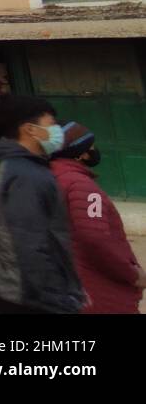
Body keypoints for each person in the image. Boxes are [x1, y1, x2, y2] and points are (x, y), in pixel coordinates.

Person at [0, 95, 84, 314]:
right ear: (30, 129)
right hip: (32, 294)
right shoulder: (26, 174)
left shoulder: (0, 163)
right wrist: (57, 298)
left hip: (6, 284)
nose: (57, 131)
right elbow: (29, 243)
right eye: (51, 124)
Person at [50, 127, 144, 314]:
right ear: (81, 154)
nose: (95, 149)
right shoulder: (81, 185)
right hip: (96, 288)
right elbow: (95, 239)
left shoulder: (48, 177)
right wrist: (131, 274)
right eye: (91, 145)